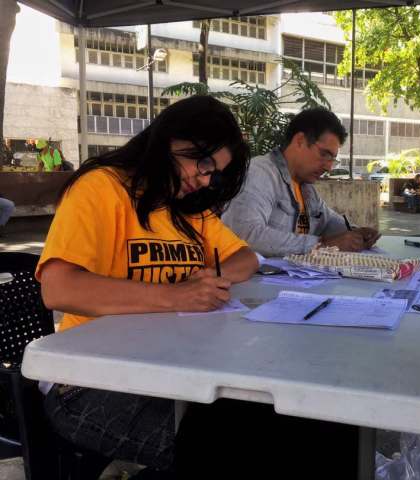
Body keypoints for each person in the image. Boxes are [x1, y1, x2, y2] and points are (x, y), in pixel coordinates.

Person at [36, 95, 264, 477]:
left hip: (174, 367)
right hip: (90, 380)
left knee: (272, 423)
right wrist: (176, 296)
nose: (204, 179)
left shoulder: (190, 209)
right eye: (202, 162)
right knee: (231, 449)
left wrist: (210, 281)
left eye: (214, 172)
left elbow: (247, 258)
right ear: (170, 138)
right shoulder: (102, 187)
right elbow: (58, 289)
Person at [222, 108, 380, 257]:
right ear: (300, 141)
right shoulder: (260, 173)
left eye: (332, 159)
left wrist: (357, 233)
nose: (329, 167)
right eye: (324, 154)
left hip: (298, 281)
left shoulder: (306, 188)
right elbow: (245, 235)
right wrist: (320, 244)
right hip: (258, 282)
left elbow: (328, 221)